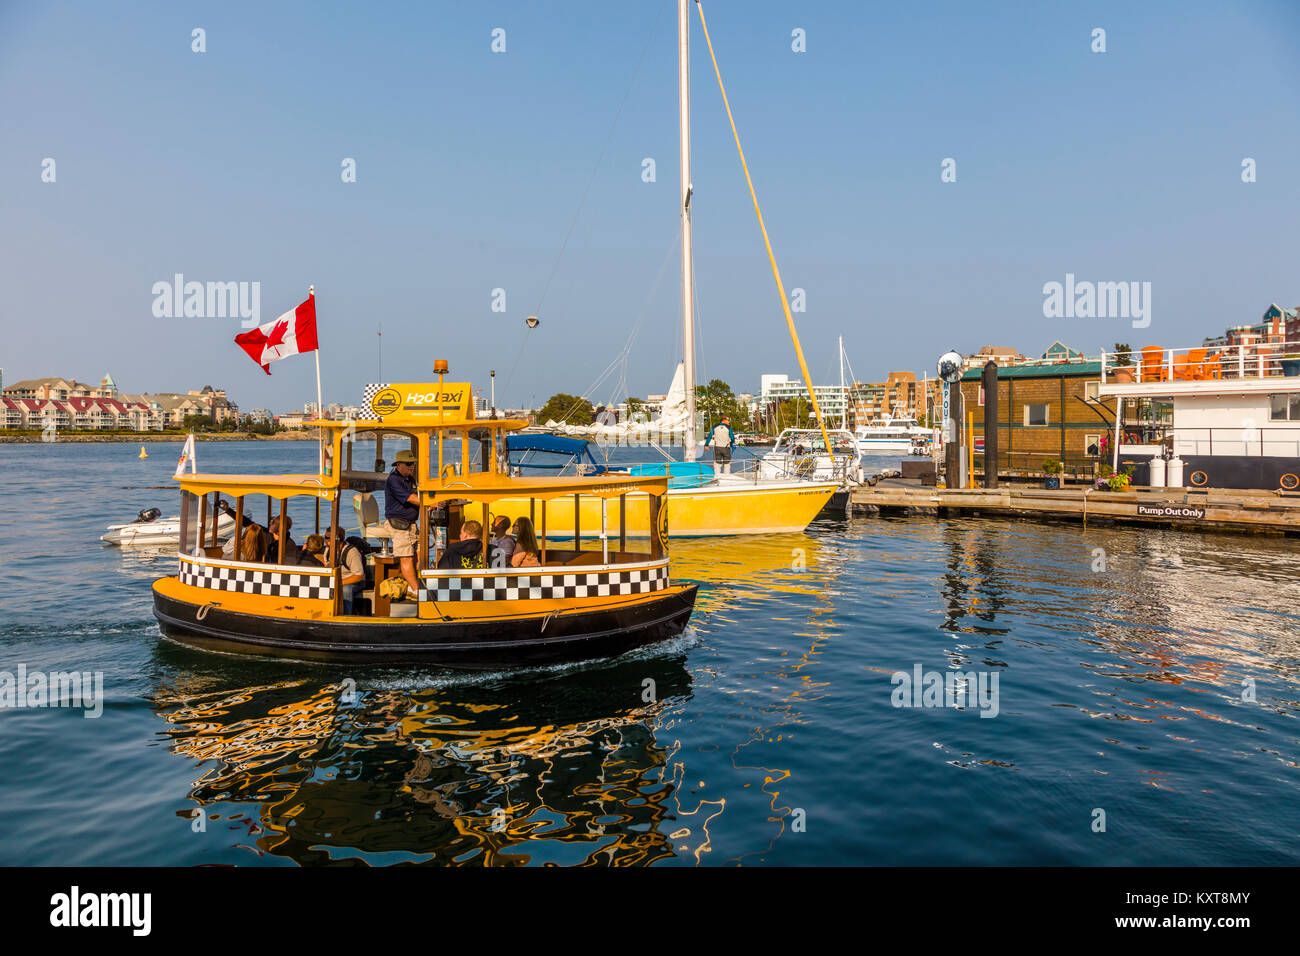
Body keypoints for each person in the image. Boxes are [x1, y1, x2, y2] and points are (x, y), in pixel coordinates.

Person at [384, 449, 421, 595]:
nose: (412, 466)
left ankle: (416, 584)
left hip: (411, 523)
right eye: (409, 463)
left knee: (419, 553)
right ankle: (417, 591)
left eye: (413, 464)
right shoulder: (393, 480)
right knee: (406, 558)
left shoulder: (410, 479)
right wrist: (430, 503)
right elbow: (411, 498)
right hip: (398, 524)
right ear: (399, 464)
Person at [329, 525, 366, 614]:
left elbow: (359, 576)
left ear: (337, 539)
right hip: (335, 580)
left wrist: (339, 583)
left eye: (327, 538)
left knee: (345, 589)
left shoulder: (351, 552)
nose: (325, 540)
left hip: (354, 581)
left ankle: (346, 614)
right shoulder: (328, 550)